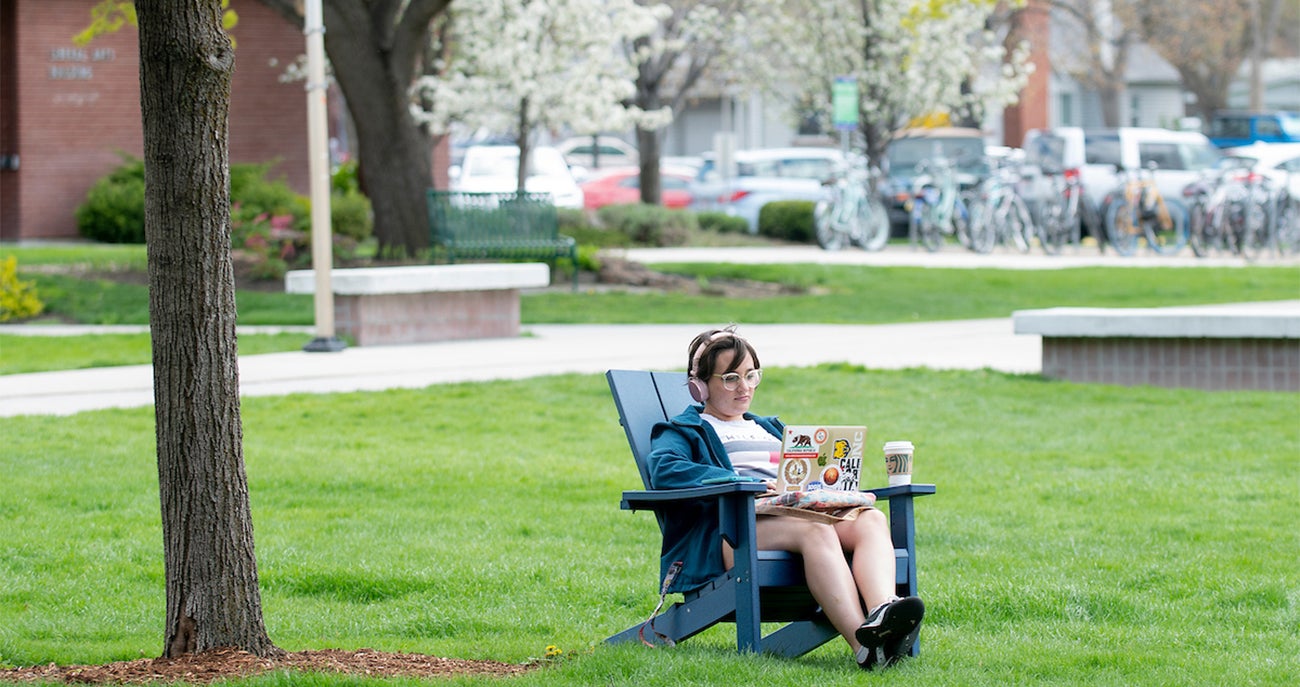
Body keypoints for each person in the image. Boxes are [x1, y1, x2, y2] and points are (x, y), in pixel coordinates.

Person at [646, 325, 924, 670]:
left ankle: (884, 610)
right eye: (731, 378)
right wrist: (739, 480)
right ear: (699, 386)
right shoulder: (685, 429)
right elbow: (665, 469)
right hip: (735, 531)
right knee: (814, 531)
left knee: (871, 520)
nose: (744, 387)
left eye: (751, 375)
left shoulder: (770, 428)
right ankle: (864, 645)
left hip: (797, 513)